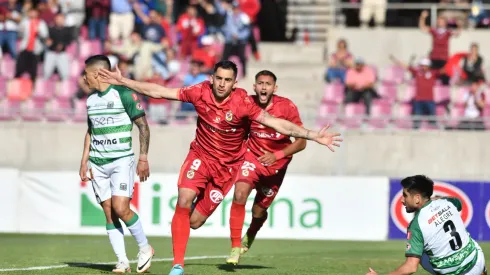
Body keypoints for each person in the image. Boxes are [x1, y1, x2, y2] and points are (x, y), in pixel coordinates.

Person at [97, 60, 343, 275]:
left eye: (228, 80)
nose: (222, 84)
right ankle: (178, 265)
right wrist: (125, 81)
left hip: (227, 168)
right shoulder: (199, 91)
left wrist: (312, 135)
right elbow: (160, 91)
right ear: (211, 78)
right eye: (219, 79)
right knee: (183, 199)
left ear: (235, 83)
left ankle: (193, 218)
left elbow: (277, 123)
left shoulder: (243, 102)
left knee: (194, 222)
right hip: (201, 157)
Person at [78, 55, 154, 274]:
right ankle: (122, 261)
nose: (84, 78)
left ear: (96, 73)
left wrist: (143, 157)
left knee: (121, 208)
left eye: (86, 74)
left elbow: (143, 126)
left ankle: (145, 247)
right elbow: (90, 132)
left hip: (121, 160)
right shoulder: (91, 100)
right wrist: (84, 161)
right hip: (98, 163)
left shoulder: (124, 94)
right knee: (109, 213)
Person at [226, 70, 307, 265]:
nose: (263, 87)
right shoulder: (248, 103)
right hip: (252, 158)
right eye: (260, 83)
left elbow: (301, 142)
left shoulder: (286, 107)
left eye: (268, 84)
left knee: (258, 211)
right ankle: (235, 246)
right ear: (254, 86)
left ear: (274, 88)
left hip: (275, 166)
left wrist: (276, 155)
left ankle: (252, 232)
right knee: (239, 194)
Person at [366, 175, 487, 275]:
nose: (402, 200)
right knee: (471, 245)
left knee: (421, 253)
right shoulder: (447, 203)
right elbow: (458, 203)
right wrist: (438, 202)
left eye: (405, 195)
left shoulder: (416, 225)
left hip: (455, 273)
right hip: (476, 261)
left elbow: (411, 267)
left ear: (417, 198)